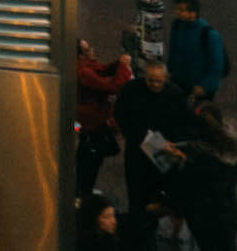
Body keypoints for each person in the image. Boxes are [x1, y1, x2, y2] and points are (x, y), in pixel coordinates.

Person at [159, 103, 237, 251]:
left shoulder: (198, 163)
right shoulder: (233, 151)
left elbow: (181, 192)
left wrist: (183, 159)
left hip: (204, 217)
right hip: (227, 213)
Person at [116, 59, 196, 212]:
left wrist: (173, 143)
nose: (155, 85)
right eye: (151, 80)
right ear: (144, 76)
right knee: (136, 194)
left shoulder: (176, 94)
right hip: (138, 155)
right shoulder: (131, 90)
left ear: (166, 79)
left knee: (159, 197)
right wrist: (153, 141)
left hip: (163, 154)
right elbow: (122, 117)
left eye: (159, 81)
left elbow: (185, 123)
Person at [76, 39, 133, 195]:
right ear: (81, 55)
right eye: (88, 50)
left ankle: (84, 189)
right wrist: (123, 67)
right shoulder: (83, 72)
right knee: (92, 158)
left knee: (89, 157)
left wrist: (118, 63)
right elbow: (113, 87)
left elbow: (101, 69)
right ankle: (84, 192)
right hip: (92, 122)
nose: (92, 51)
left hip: (84, 121)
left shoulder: (82, 65)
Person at [169, 0, 228, 102]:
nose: (177, 12)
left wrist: (204, 86)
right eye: (177, 8)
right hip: (180, 82)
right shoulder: (177, 25)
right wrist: (170, 70)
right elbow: (173, 51)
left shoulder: (209, 34)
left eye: (182, 10)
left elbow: (217, 65)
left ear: (193, 13)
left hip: (200, 88)